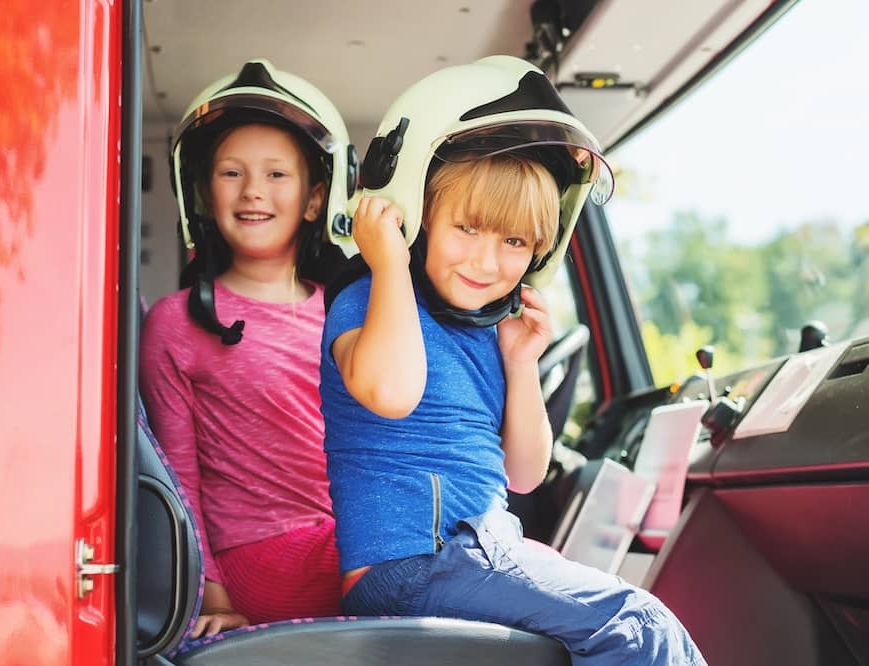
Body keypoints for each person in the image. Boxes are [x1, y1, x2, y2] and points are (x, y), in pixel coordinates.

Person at [320, 55, 706, 664]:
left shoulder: (490, 332)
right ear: (415, 216)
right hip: (409, 565)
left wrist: (522, 363)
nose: (487, 261)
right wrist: (389, 260)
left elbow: (524, 474)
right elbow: (392, 391)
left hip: (480, 548)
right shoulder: (368, 301)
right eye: (468, 228)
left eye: (515, 241)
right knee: (636, 624)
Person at [140, 60, 358, 638]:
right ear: (205, 196)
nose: (253, 190)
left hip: (346, 543)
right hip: (259, 559)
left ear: (315, 200)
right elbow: (175, 475)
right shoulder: (177, 322)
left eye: (276, 174)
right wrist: (209, 594)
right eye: (231, 173)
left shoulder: (346, 315)